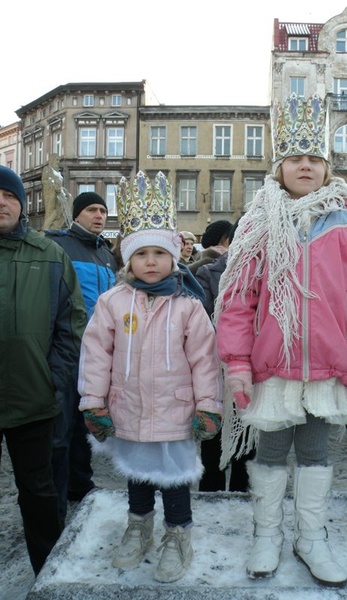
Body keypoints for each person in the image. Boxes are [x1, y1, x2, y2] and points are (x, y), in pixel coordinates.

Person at [214, 93, 347, 588]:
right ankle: (267, 533)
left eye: (314, 159)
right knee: (270, 456)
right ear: (280, 167)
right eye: (296, 158)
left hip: (327, 368)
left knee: (316, 456)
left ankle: (311, 536)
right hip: (273, 368)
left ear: (327, 168)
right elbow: (238, 301)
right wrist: (238, 364)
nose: (306, 166)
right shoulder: (257, 224)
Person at [77, 170, 223, 583]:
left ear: (173, 258)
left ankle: (178, 535)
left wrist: (208, 405)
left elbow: (204, 360)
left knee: (174, 480)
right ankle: (138, 526)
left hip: (175, 412)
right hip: (128, 408)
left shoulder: (188, 306)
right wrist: (93, 401)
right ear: (128, 259)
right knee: (137, 475)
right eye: (142, 254)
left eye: (159, 253)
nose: (151, 262)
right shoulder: (112, 302)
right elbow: (96, 355)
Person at [0, 166, 86, 575]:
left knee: (38, 493)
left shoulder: (49, 254)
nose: (2, 202)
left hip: (34, 400)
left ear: (21, 204)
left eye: (10, 196)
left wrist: (55, 380)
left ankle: (49, 575)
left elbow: (72, 326)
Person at [45, 192, 117, 522]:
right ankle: (54, 495)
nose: (99, 215)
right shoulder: (59, 247)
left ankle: (80, 484)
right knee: (61, 425)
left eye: (103, 210)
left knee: (85, 420)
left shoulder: (105, 252)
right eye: (92, 209)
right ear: (77, 215)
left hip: (98, 350)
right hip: (68, 347)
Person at [195, 219, 255, 492]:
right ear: (229, 241)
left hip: (256, 373)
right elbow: (200, 324)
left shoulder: (271, 272)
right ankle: (211, 498)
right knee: (214, 442)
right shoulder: (208, 273)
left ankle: (242, 497)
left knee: (249, 443)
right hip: (217, 371)